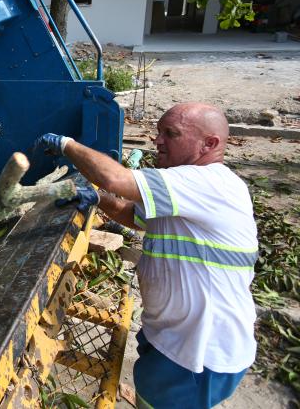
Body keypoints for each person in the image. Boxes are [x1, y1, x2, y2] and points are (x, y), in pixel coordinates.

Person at [36, 102, 258, 409]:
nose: (158, 140)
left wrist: (67, 145)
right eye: (158, 132)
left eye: (171, 133)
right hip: (171, 338)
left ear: (210, 144)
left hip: (197, 355)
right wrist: (98, 198)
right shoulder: (188, 186)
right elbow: (136, 216)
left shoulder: (210, 182)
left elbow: (118, 180)